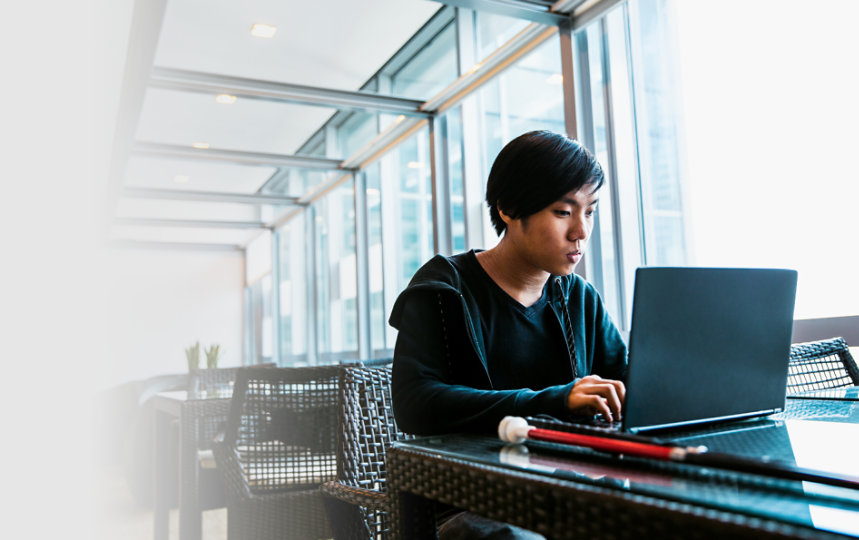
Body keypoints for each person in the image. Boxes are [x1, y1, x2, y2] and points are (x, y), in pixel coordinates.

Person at [390, 130, 628, 438]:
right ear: (509, 208)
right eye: (563, 212)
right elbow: (414, 406)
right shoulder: (445, 288)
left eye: (590, 211)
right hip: (465, 477)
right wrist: (555, 400)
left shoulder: (580, 298)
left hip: (569, 475)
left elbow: (628, 384)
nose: (580, 231)